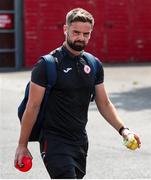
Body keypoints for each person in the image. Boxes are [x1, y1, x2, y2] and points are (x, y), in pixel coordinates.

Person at [14, 8, 141, 179]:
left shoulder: (93, 64)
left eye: (86, 34)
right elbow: (33, 106)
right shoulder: (47, 64)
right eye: (76, 32)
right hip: (53, 140)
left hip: (80, 141)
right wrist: (22, 145)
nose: (81, 38)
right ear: (65, 29)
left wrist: (124, 130)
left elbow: (104, 103)